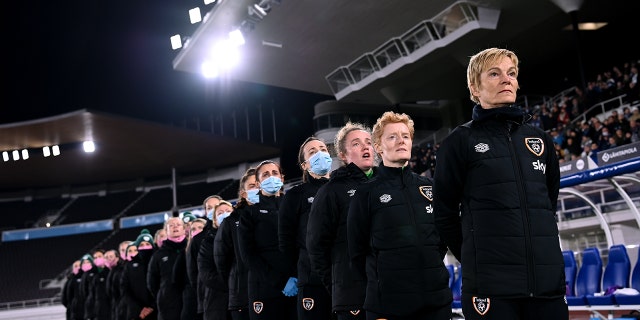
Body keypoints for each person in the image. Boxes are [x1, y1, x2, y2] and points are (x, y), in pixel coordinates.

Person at [433, 47, 567, 319]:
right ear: (475, 87)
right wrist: (476, 258)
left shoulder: (540, 140)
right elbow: (444, 213)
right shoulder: (458, 142)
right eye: (494, 73)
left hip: (547, 286)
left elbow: (547, 203)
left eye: (512, 73)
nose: (507, 79)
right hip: (491, 289)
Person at [347, 111, 452, 320]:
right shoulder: (366, 193)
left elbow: (442, 238)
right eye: (392, 137)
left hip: (436, 302)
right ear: (378, 146)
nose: (401, 141)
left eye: (405, 136)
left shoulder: (430, 188)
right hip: (388, 305)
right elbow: (356, 252)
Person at [307, 122, 376, 320]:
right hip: (352, 295)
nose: (365, 147)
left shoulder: (385, 185)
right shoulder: (330, 191)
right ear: (343, 155)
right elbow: (316, 247)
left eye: (368, 142)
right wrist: (338, 285)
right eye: (356, 143)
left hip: (387, 292)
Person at [278, 136, 332, 320]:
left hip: (345, 278)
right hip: (312, 279)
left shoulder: (343, 188)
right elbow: (286, 240)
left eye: (323, 149)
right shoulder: (295, 195)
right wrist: (296, 272)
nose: (320, 154)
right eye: (313, 152)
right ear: (304, 165)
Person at [237, 160, 297, 319]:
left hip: (297, 285)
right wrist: (280, 281)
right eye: (266, 174)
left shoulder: (294, 207)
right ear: (258, 183)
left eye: (275, 173)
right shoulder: (249, 214)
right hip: (264, 290)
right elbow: (248, 256)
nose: (271, 177)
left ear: (282, 178)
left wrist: (298, 275)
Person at [215, 168, 257, 320]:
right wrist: (237, 278)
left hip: (275, 290)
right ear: (243, 193)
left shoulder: (278, 212)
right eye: (252, 186)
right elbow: (221, 259)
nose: (257, 188)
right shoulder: (231, 221)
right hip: (242, 294)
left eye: (259, 184)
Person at [198, 200, 234, 320]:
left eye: (228, 211)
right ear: (214, 220)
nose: (225, 214)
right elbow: (205, 273)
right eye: (220, 213)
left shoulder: (244, 236)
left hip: (242, 296)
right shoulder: (207, 242)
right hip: (217, 300)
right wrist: (231, 284)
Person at [147, 216, 188, 320]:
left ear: (184, 229)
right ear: (166, 231)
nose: (175, 227)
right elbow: (152, 281)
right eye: (171, 225)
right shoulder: (158, 255)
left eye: (178, 225)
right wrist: (164, 294)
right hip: (168, 303)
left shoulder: (191, 248)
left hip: (191, 299)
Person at [190, 195, 223, 320]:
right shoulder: (198, 239)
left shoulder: (236, 230)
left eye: (216, 206)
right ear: (205, 212)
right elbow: (193, 273)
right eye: (209, 208)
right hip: (209, 295)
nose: (213, 210)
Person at [121, 229, 157, 320]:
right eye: (141, 245)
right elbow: (124, 288)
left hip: (157, 310)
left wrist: (152, 306)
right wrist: (139, 308)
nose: (145, 247)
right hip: (136, 312)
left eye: (148, 244)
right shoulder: (129, 266)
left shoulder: (158, 261)